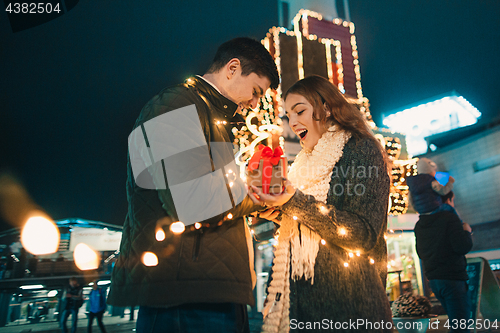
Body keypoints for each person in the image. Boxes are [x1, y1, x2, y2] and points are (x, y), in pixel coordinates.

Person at [107, 37, 279, 333]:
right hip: (185, 299)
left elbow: (215, 196)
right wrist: (259, 195)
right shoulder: (174, 104)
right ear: (232, 68)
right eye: (255, 92)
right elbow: (194, 201)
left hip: (207, 290)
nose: (254, 104)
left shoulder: (211, 117)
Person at [250, 75, 393, 332]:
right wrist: (280, 213)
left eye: (300, 111)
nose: (292, 122)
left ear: (326, 107)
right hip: (302, 307)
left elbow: (363, 235)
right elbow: (306, 223)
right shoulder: (303, 165)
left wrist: (294, 202)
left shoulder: (360, 149)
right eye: (288, 115)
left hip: (350, 307)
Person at [414, 191, 473, 333]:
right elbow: (462, 246)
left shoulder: (420, 224)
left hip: (435, 280)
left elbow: (421, 253)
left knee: (455, 323)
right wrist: (466, 231)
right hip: (453, 279)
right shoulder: (450, 218)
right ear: (448, 200)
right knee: (460, 326)